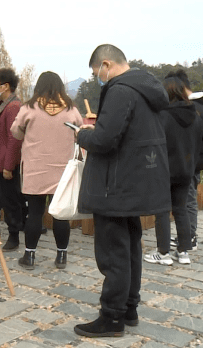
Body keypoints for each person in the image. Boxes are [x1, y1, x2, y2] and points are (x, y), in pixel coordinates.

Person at [73, 44, 170, 337]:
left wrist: (82, 135)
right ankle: (129, 308)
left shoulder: (120, 91)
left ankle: (111, 317)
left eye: (96, 73)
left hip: (114, 186)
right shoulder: (145, 88)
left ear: (106, 64)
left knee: (113, 253)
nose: (98, 78)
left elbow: (105, 139)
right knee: (130, 248)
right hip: (133, 183)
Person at [10, 71, 83, 270]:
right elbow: (81, 132)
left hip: (35, 169)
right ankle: (61, 257)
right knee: (61, 215)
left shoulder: (29, 108)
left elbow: (15, 132)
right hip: (62, 170)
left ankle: (30, 256)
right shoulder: (70, 109)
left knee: (34, 214)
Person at [144, 77, 203, 266]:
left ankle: (163, 253)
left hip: (165, 170)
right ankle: (183, 251)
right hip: (187, 171)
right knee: (181, 210)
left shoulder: (162, 116)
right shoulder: (196, 116)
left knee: (162, 211)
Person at [166, 69, 203, 252]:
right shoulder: (194, 109)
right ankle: (187, 239)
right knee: (187, 201)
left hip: (185, 163)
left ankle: (189, 237)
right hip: (192, 162)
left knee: (186, 202)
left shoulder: (192, 110)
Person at [0, 68, 24, 251]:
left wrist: (9, 166)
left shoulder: (13, 107)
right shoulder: (2, 106)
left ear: (5, 86)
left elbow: (14, 138)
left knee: (10, 201)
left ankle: (14, 236)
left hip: (6, 165)